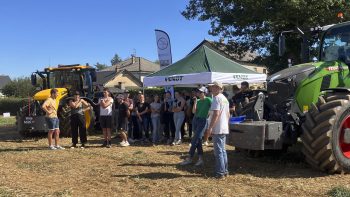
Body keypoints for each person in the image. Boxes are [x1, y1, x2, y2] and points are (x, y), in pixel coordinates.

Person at [180, 86, 212, 166]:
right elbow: (194, 111)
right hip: (195, 119)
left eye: (200, 92)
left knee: (195, 139)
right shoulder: (197, 100)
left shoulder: (208, 99)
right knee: (198, 140)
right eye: (198, 92)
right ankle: (200, 159)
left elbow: (213, 109)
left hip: (203, 120)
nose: (198, 93)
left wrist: (209, 114)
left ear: (204, 93)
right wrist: (195, 102)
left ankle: (189, 158)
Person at [205, 81, 230, 179]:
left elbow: (216, 114)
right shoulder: (224, 99)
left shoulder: (216, 98)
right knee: (223, 151)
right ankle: (225, 171)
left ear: (219, 88)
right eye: (212, 87)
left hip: (218, 127)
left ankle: (220, 173)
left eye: (214, 87)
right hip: (223, 127)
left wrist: (210, 127)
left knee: (219, 151)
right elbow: (228, 114)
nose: (212, 89)